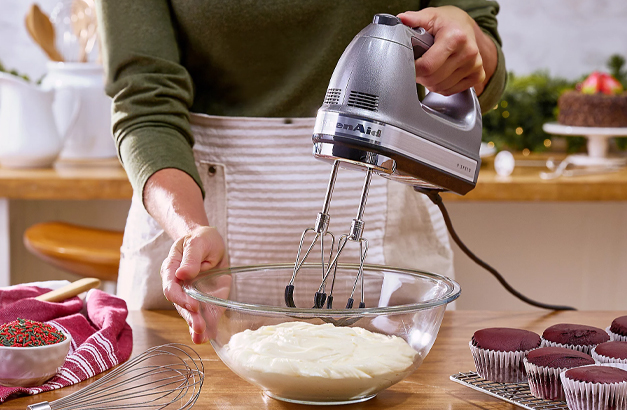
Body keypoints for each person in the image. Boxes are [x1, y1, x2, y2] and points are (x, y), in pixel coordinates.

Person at [97, 1, 506, 344]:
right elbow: (145, 100)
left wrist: (467, 41)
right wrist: (188, 228)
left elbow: (484, 60)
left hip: (393, 275)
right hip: (191, 213)